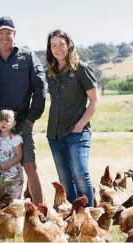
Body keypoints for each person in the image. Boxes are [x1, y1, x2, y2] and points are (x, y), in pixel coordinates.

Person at [0, 16, 46, 204]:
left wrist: (32, 118)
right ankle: (2, 210)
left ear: (14, 34)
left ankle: (40, 212)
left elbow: (40, 87)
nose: (5, 36)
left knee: (29, 166)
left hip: (22, 122)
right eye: (1, 33)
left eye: (8, 32)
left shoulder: (27, 57)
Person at [45, 29, 99, 206]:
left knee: (80, 174)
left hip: (77, 132)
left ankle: (89, 218)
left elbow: (94, 101)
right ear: (50, 49)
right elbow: (54, 101)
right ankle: (73, 220)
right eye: (54, 45)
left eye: (61, 44)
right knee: (65, 179)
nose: (58, 48)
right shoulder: (50, 72)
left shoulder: (81, 69)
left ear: (69, 45)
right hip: (54, 133)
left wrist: (80, 125)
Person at [0, 110, 24, 199]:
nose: (3, 123)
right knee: (1, 198)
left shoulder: (15, 138)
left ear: (13, 123)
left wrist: (7, 164)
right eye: (0, 120)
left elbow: (19, 156)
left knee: (13, 199)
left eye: (7, 121)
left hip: (13, 172)